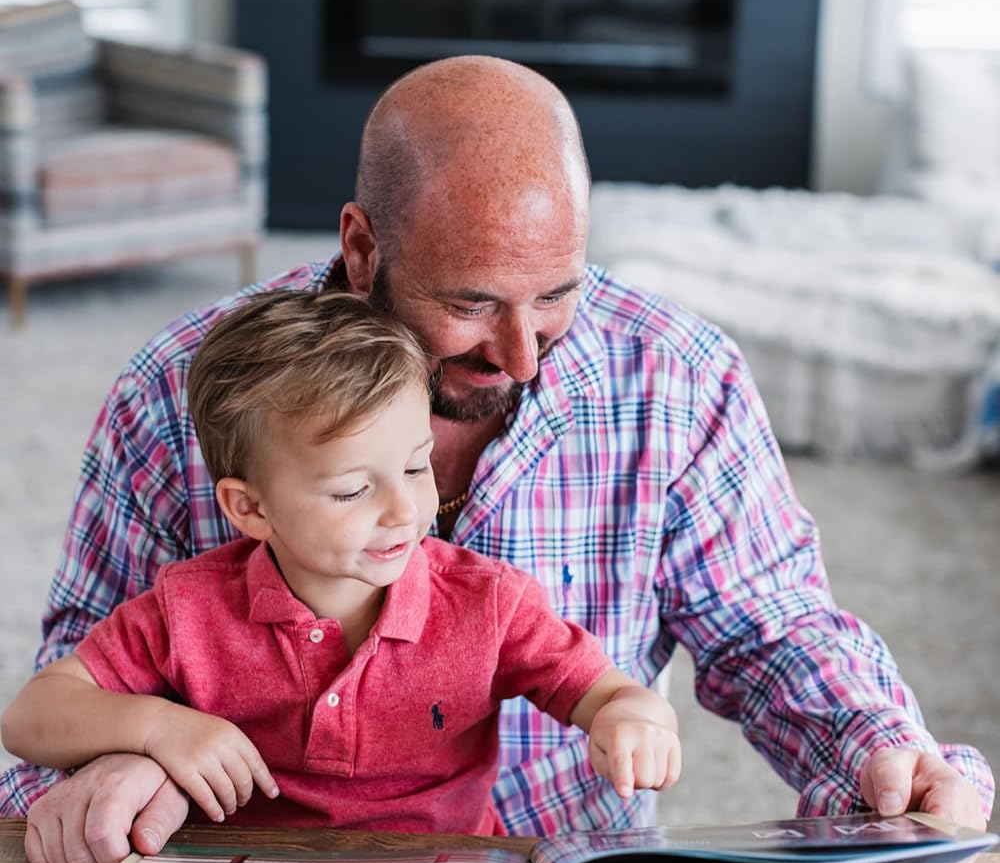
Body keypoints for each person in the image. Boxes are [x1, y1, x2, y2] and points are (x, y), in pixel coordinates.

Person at [2, 56, 991, 863]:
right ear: (360, 248)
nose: (522, 356)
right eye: (471, 303)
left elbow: (771, 627)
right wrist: (112, 767)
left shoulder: (679, 378)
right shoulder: (178, 391)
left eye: (556, 293)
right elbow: (71, 680)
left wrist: (873, 750)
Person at [1, 291, 680, 831]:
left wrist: (630, 717)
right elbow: (29, 716)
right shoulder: (189, 609)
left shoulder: (489, 603)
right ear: (250, 509)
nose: (402, 511)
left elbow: (605, 692)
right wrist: (156, 727)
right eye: (354, 488)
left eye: (416, 467)